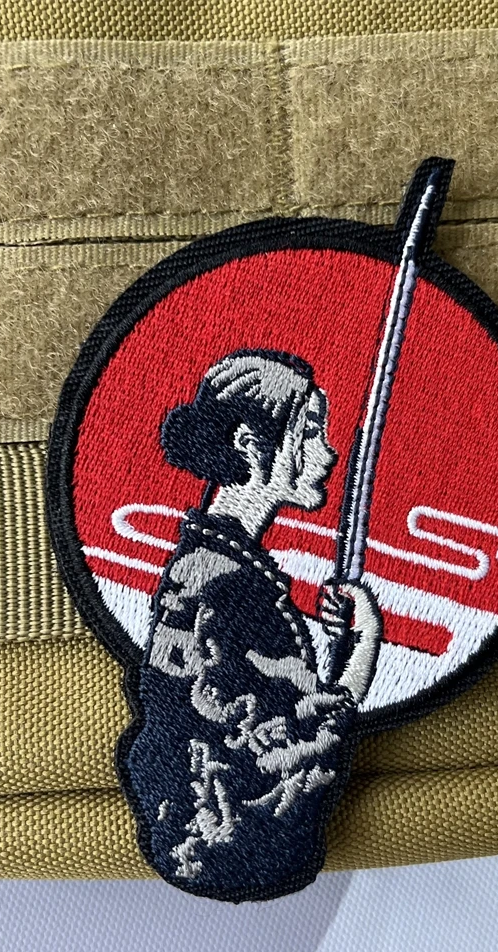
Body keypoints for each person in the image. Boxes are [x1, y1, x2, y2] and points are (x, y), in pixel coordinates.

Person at [120, 349, 383, 899]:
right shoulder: (232, 587)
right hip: (228, 846)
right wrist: (361, 653)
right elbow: (280, 751)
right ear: (251, 446)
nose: (329, 453)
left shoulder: (206, 566)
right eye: (309, 432)